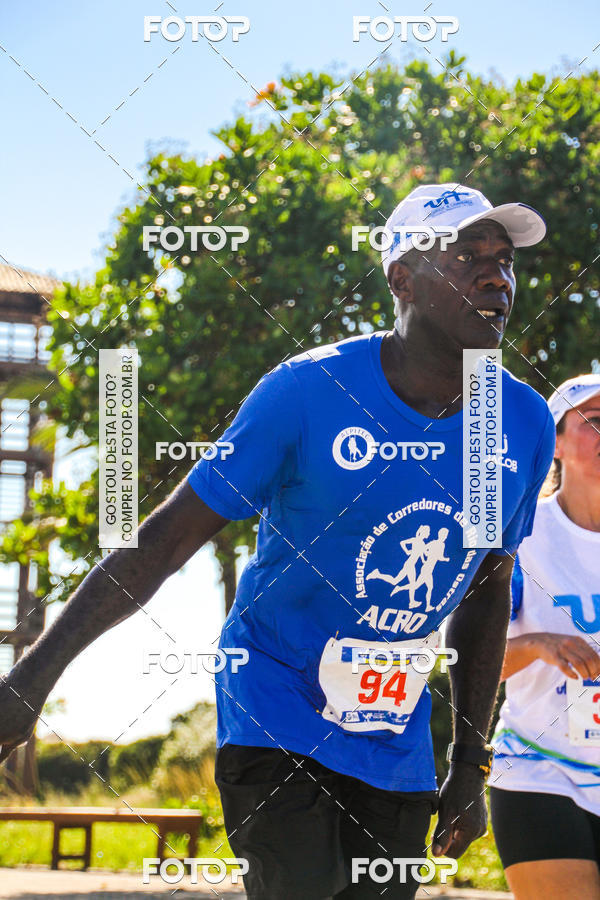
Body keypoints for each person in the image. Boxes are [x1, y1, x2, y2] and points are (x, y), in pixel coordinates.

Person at [0, 183, 555, 899]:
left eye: (505, 261)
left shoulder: (515, 421)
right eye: (467, 257)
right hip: (277, 708)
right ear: (401, 279)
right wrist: (28, 683)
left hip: (395, 741)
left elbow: (483, 585)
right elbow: (164, 543)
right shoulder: (309, 394)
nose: (494, 276)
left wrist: (468, 764)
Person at [489, 374, 600, 900]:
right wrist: (540, 646)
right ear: (554, 441)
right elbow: (464, 658)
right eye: (595, 421)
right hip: (539, 768)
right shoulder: (522, 534)